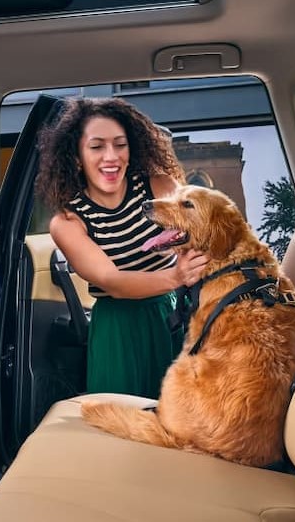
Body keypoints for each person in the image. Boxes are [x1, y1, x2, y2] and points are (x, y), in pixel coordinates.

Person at [35, 97, 209, 398]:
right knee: (121, 421)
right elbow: (112, 282)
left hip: (170, 314)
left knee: (179, 417)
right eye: (97, 146)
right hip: (116, 328)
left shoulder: (161, 187)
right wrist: (176, 277)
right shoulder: (67, 221)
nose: (111, 156)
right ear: (76, 155)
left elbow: (201, 238)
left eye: (120, 144)